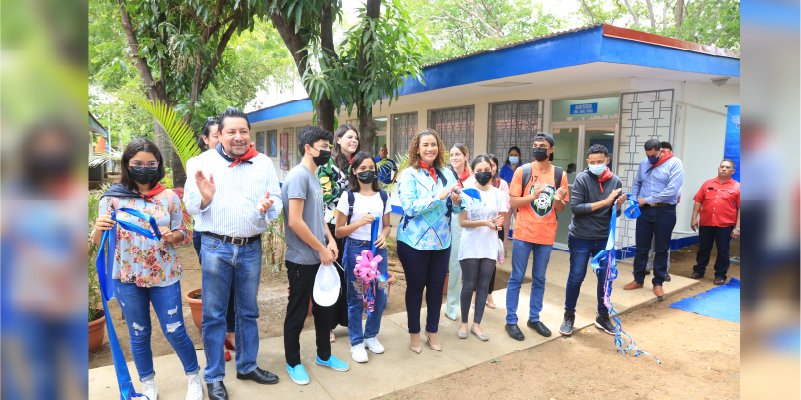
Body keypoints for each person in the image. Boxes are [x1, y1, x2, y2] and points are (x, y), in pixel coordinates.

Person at [184, 107, 283, 400]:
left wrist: (269, 208)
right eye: (231, 132)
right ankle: (214, 377)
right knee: (214, 315)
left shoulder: (263, 163)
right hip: (216, 246)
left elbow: (275, 201)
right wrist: (204, 198)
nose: (238, 137)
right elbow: (190, 207)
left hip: (251, 246)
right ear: (220, 135)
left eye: (243, 131)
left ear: (248, 134)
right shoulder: (202, 163)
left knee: (248, 311)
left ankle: (247, 365)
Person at [93, 138, 203, 400]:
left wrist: (172, 236)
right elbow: (99, 244)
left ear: (159, 165)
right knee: (138, 333)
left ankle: (194, 377)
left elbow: (183, 233)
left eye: (151, 164)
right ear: (128, 165)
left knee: (175, 330)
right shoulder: (112, 199)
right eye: (138, 164)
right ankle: (148, 383)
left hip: (164, 275)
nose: (145, 168)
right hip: (127, 277)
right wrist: (98, 228)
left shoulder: (169, 198)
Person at [282, 126, 350, 385]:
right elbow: (296, 221)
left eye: (329, 146)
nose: (327, 151)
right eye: (323, 146)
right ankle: (293, 362)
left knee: (325, 310)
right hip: (302, 260)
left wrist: (330, 240)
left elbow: (318, 218)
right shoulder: (298, 176)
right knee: (298, 313)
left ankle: (324, 355)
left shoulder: (315, 176)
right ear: (308, 147)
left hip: (321, 258)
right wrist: (321, 249)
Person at [396, 129, 462, 353]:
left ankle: (432, 330)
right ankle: (414, 332)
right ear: (417, 148)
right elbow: (410, 208)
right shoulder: (408, 175)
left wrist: (457, 199)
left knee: (435, 288)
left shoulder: (447, 174)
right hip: (414, 242)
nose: (430, 148)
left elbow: (457, 209)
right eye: (425, 145)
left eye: (433, 144)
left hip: (442, 242)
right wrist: (439, 196)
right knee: (416, 288)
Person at [505, 133, 569, 340]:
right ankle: (511, 320)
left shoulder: (560, 174)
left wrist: (558, 198)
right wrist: (532, 196)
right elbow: (512, 202)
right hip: (524, 233)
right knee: (516, 277)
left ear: (551, 150)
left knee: (540, 278)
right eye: (535, 145)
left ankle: (534, 318)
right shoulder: (523, 171)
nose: (538, 148)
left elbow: (559, 207)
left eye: (542, 146)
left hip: (546, 234)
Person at [559, 144, 626, 337]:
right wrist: (606, 202)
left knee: (605, 279)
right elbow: (576, 208)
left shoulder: (615, 181)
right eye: (592, 162)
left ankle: (602, 316)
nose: (596, 165)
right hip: (580, 238)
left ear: (607, 160)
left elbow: (614, 213)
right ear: (588, 162)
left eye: (600, 161)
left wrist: (617, 206)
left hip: (604, 240)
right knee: (576, 276)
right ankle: (569, 315)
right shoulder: (582, 178)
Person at [334, 152, 392, 363]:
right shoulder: (347, 197)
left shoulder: (383, 196)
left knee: (382, 295)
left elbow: (387, 226)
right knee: (357, 297)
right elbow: (339, 231)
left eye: (371, 168)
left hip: (379, 252)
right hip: (355, 250)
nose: (368, 172)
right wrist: (359, 223)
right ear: (355, 171)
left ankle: (371, 335)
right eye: (363, 169)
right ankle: (357, 342)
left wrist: (384, 237)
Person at [190, 116, 236, 363]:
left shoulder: (236, 164)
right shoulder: (197, 165)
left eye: (224, 134)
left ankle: (230, 332)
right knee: (215, 290)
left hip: (235, 237)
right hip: (208, 236)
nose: (222, 139)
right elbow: (192, 205)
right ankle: (216, 344)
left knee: (234, 289)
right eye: (216, 135)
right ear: (206, 139)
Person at [624, 139, 684, 301]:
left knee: (661, 248)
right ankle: (638, 279)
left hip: (665, 210)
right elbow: (637, 182)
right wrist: (635, 199)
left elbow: (671, 191)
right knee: (641, 247)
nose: (650, 158)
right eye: (648, 155)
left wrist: (646, 199)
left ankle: (658, 283)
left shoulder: (674, 163)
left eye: (653, 155)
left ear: (660, 151)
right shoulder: (644, 163)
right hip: (644, 211)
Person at [456, 155, 508, 341]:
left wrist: (496, 224)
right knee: (468, 285)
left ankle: (476, 325)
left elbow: (501, 221)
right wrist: (485, 223)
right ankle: (464, 323)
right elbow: (462, 222)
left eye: (486, 170)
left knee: (484, 286)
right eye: (478, 171)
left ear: (492, 170)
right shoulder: (466, 192)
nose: (483, 173)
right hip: (470, 245)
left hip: (489, 245)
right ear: (473, 172)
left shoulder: (499, 194)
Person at [318, 124, 360, 342]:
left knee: (348, 275)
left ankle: (347, 319)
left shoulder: (358, 163)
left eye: (356, 138)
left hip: (352, 226)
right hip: (331, 227)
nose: (354, 140)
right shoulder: (327, 164)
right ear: (339, 140)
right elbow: (324, 197)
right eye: (349, 137)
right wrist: (348, 186)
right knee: (331, 275)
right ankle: (327, 325)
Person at [690, 160, 741, 285]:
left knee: (723, 251)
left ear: (733, 171)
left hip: (725, 225)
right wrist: (694, 218)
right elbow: (698, 200)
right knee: (703, 249)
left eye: (727, 167)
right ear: (718, 168)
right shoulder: (707, 184)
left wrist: (737, 228)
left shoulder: (737, 187)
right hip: (706, 223)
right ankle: (699, 271)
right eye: (722, 167)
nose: (723, 169)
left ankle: (720, 275)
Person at [444, 143, 471, 321]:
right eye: (452, 154)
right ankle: (451, 305)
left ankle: (460, 304)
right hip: (448, 223)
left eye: (458, 154)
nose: (454, 158)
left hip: (467, 225)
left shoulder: (473, 179)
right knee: (451, 264)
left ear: (466, 156)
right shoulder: (446, 176)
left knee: (463, 266)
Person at [645, 141, 676, 282]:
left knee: (663, 246)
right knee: (647, 243)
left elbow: (673, 191)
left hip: (665, 209)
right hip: (649, 209)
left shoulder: (674, 166)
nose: (664, 154)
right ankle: (646, 267)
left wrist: (651, 199)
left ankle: (663, 272)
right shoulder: (649, 165)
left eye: (667, 151)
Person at [485, 154, 509, 309]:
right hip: (479, 227)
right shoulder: (475, 184)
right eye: (487, 166)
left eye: (493, 165)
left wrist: (496, 223)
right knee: (476, 261)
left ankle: (489, 294)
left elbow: (504, 207)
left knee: (490, 263)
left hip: (496, 227)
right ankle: (474, 294)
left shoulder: (502, 184)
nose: (490, 168)